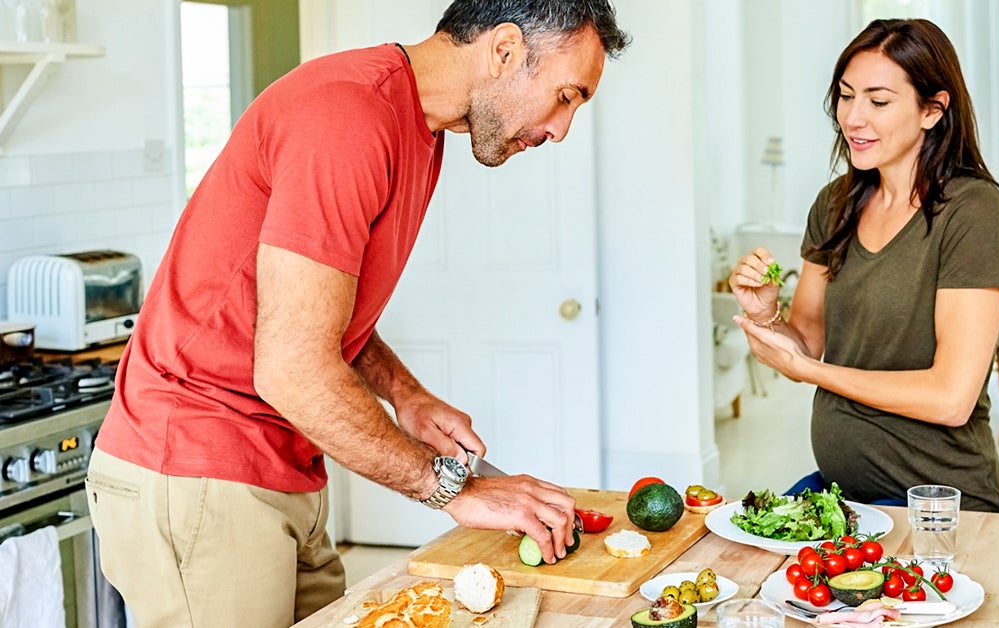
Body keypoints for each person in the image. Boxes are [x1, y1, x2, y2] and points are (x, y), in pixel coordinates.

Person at [84, 2, 629, 626]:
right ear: (503, 50)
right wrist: (457, 488)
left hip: (282, 462)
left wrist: (406, 394)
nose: (561, 129)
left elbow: (315, 308)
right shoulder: (348, 115)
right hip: (199, 465)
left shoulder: (421, 130)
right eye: (566, 96)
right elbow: (291, 368)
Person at [728, 18, 999, 513]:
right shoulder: (835, 204)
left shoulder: (974, 212)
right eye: (845, 96)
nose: (853, 118)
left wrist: (814, 373)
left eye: (878, 101)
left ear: (933, 109)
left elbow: (951, 398)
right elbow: (808, 346)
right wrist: (765, 315)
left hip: (936, 503)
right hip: (847, 493)